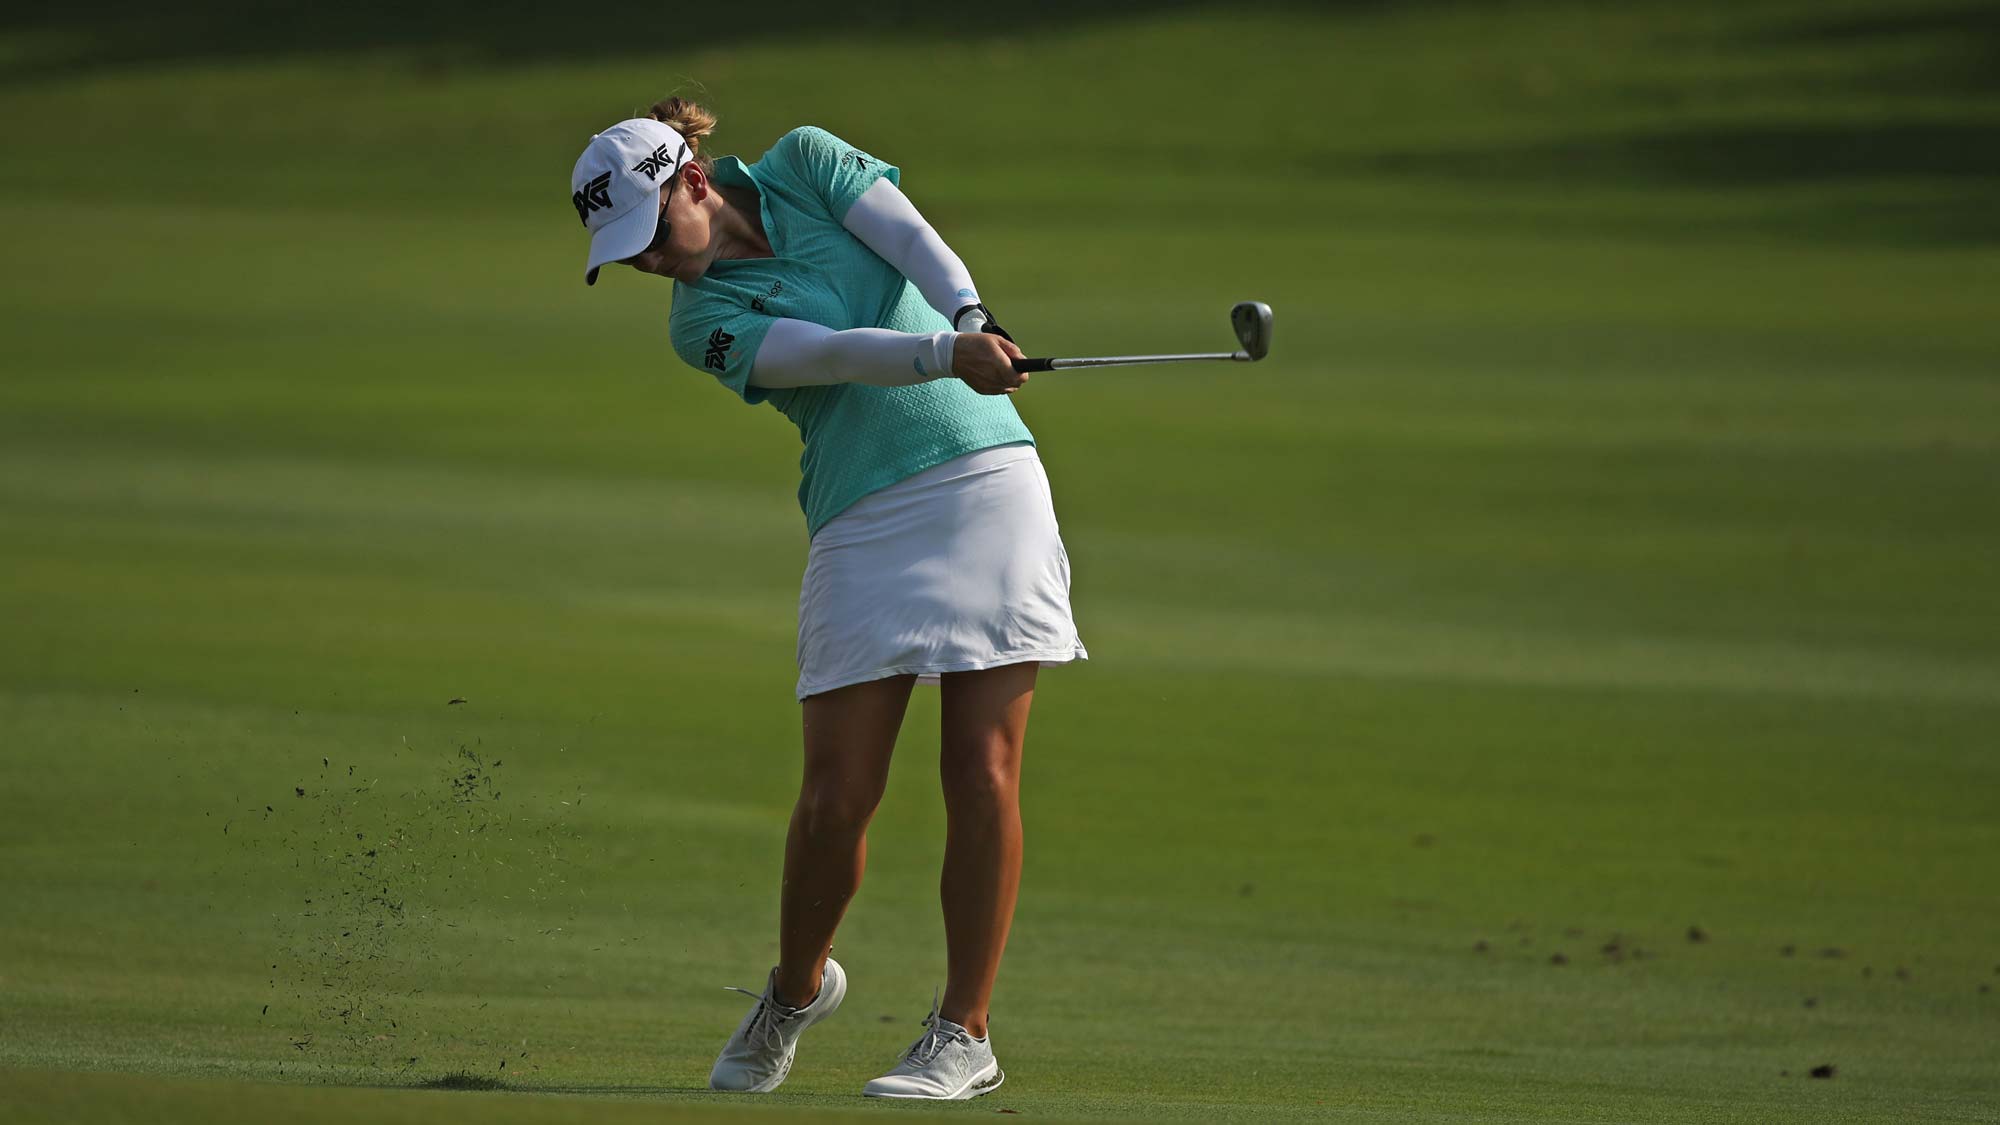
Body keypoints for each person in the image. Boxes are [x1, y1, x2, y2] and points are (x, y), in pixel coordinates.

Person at [568, 97, 1088, 1100]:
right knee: (835, 797)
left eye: (649, 236)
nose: (647, 263)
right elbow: (829, 352)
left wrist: (970, 318)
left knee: (981, 768)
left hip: (987, 483)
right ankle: (796, 990)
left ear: (693, 181)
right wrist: (945, 354)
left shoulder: (806, 162)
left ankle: (963, 1033)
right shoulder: (700, 324)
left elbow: (915, 242)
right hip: (861, 514)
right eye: (625, 256)